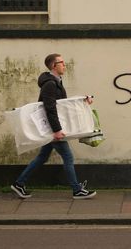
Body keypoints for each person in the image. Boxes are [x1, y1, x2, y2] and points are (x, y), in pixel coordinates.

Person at [11, 53, 96, 200]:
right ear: (53, 66)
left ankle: (19, 183)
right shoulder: (50, 84)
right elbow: (50, 108)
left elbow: (63, 105)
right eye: (61, 62)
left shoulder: (56, 81)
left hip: (53, 128)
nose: (64, 65)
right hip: (53, 129)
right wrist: (56, 130)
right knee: (68, 157)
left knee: (42, 157)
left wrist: (83, 100)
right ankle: (77, 190)